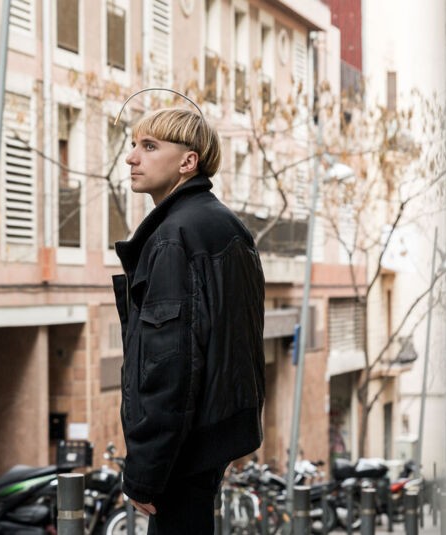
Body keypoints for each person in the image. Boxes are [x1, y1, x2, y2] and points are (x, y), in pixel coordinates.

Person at [111, 107, 266, 534]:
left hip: (180, 450)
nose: (131, 158)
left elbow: (169, 364)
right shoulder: (227, 226)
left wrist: (145, 470)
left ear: (188, 161)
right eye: (133, 144)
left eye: (148, 146)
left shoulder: (173, 237)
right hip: (210, 439)